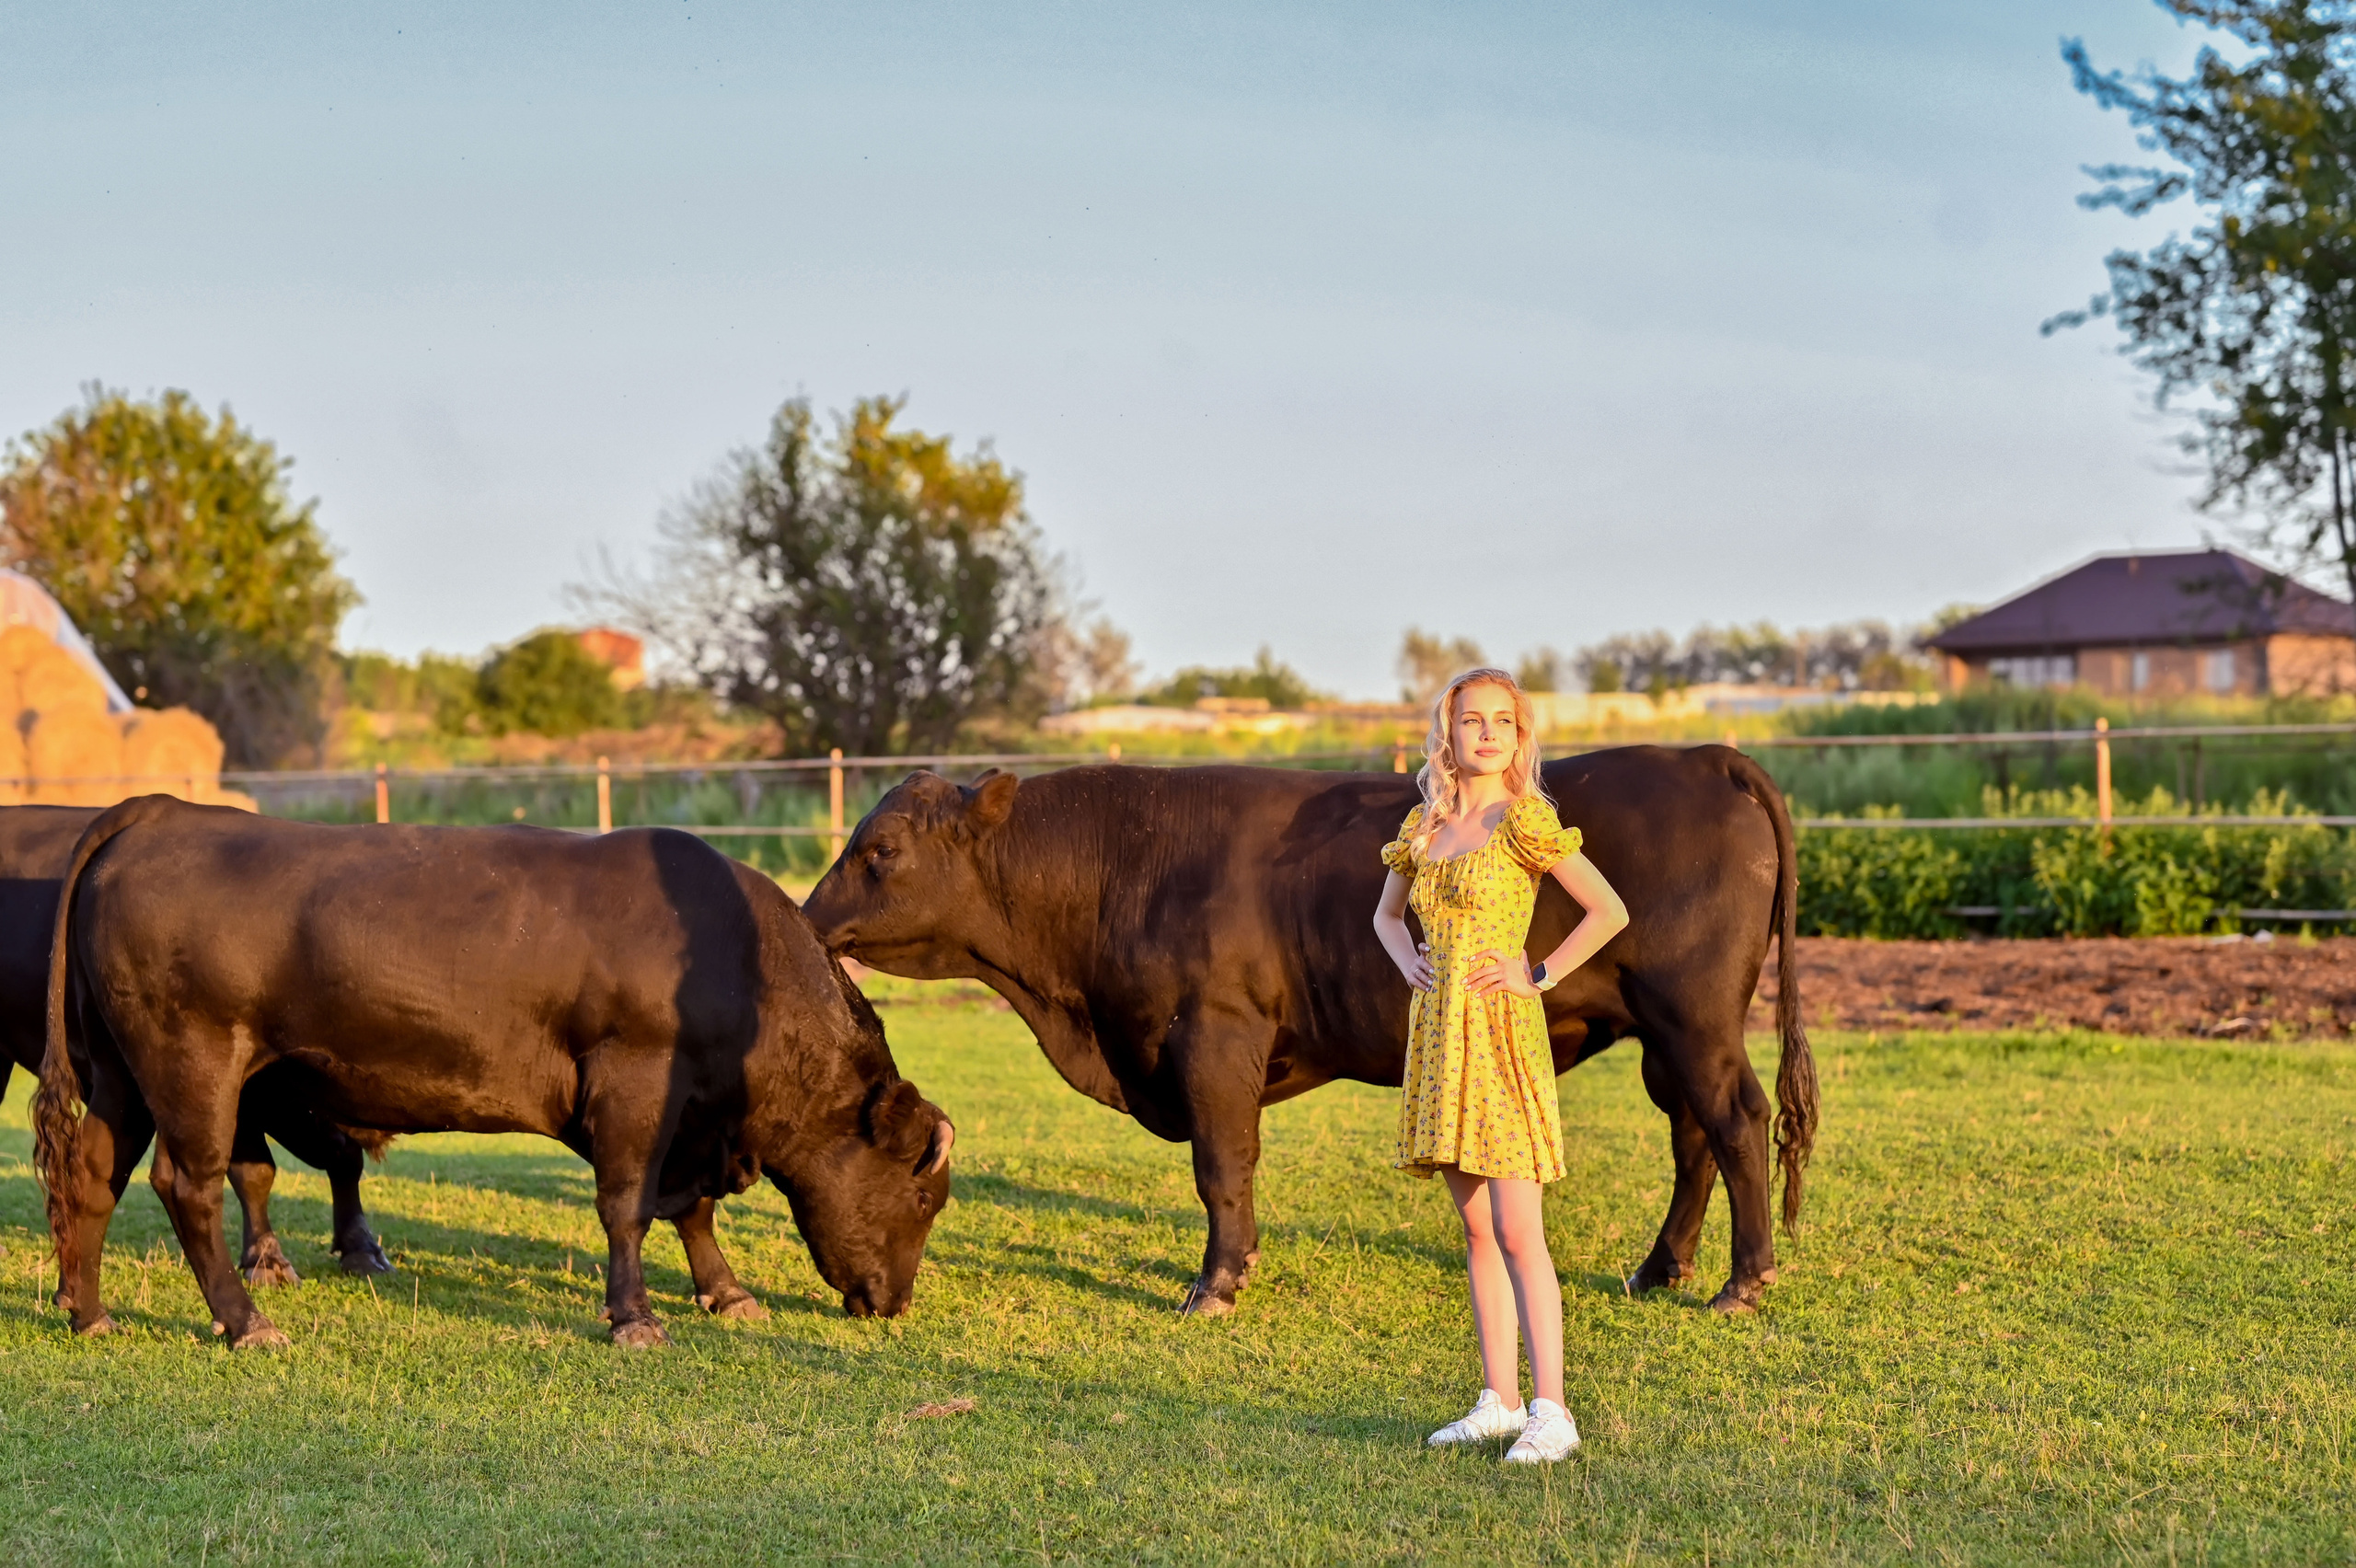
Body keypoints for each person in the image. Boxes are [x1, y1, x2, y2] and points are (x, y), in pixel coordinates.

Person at [1372, 666, 1628, 1464]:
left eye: (1502, 722)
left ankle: (1554, 1412)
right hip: (1439, 1035)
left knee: (1519, 1230)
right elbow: (1385, 916)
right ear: (1447, 734)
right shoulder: (1425, 823)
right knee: (1477, 1227)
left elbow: (1609, 910)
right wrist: (1409, 962)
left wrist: (1538, 973)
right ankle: (1499, 1402)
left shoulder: (1525, 819)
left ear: (1520, 737)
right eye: (1471, 720)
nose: (1486, 733)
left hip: (1500, 1034)